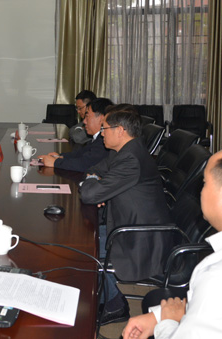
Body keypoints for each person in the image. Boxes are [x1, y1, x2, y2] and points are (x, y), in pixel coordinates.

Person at [123, 142, 222, 339]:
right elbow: (219, 313)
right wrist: (157, 317)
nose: (201, 190)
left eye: (205, 183)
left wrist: (166, 322)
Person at [79, 106, 171, 324]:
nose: (101, 134)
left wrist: (98, 187)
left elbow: (89, 193)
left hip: (141, 239)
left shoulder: (131, 159)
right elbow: (94, 170)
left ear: (120, 131)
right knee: (82, 238)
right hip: (126, 224)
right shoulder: (123, 151)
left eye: (105, 129)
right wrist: (98, 183)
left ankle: (114, 304)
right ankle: (105, 298)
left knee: (83, 250)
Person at [40, 98, 112, 171]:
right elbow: (80, 154)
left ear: (101, 119)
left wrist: (55, 162)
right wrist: (60, 156)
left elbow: (84, 164)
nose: (84, 121)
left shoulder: (104, 141)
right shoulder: (97, 138)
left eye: (87, 116)